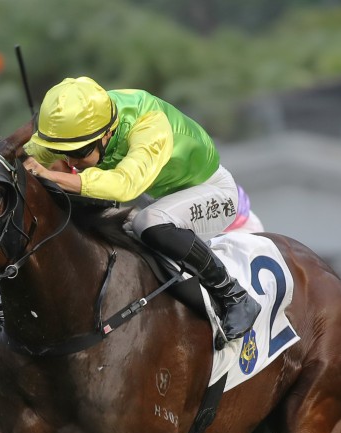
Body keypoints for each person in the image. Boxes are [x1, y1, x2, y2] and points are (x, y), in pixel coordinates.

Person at [22, 76, 260, 341]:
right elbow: (29, 152)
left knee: (149, 222)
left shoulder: (149, 124)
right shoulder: (87, 118)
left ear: (107, 134)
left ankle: (233, 295)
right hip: (161, 197)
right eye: (65, 152)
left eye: (79, 152)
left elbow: (125, 186)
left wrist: (51, 175)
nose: (71, 160)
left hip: (214, 194)